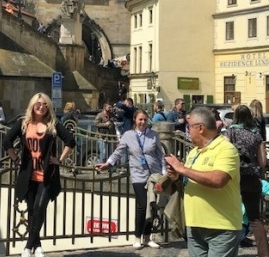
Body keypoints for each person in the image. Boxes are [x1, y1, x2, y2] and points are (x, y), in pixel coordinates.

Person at [3, 92, 75, 257]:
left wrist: (60, 159)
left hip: (47, 175)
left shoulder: (53, 124)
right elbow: (7, 141)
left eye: (44, 104)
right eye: (38, 104)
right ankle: (38, 246)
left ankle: (28, 246)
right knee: (31, 210)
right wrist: (15, 158)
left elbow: (70, 140)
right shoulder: (23, 123)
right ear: (32, 105)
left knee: (39, 207)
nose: (41, 107)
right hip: (29, 174)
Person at [165, 107, 242, 257]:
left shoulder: (226, 149)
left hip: (221, 227)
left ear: (200, 128)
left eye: (189, 127)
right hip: (194, 225)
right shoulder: (194, 152)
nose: (187, 131)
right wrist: (177, 176)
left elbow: (218, 180)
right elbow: (190, 179)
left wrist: (182, 169)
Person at [96, 108, 165, 249]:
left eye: (145, 119)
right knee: (142, 205)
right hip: (138, 174)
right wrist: (108, 163)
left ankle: (148, 237)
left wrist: (164, 173)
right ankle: (137, 237)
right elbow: (119, 152)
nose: (143, 122)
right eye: (140, 119)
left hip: (154, 174)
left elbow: (160, 154)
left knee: (152, 205)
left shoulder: (153, 135)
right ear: (135, 120)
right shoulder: (128, 135)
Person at [226, 104, 268, 257]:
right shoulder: (256, 134)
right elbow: (262, 162)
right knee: (255, 219)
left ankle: (228, 251)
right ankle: (264, 253)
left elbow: (225, 153)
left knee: (230, 215)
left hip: (234, 178)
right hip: (252, 178)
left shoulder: (231, 131)